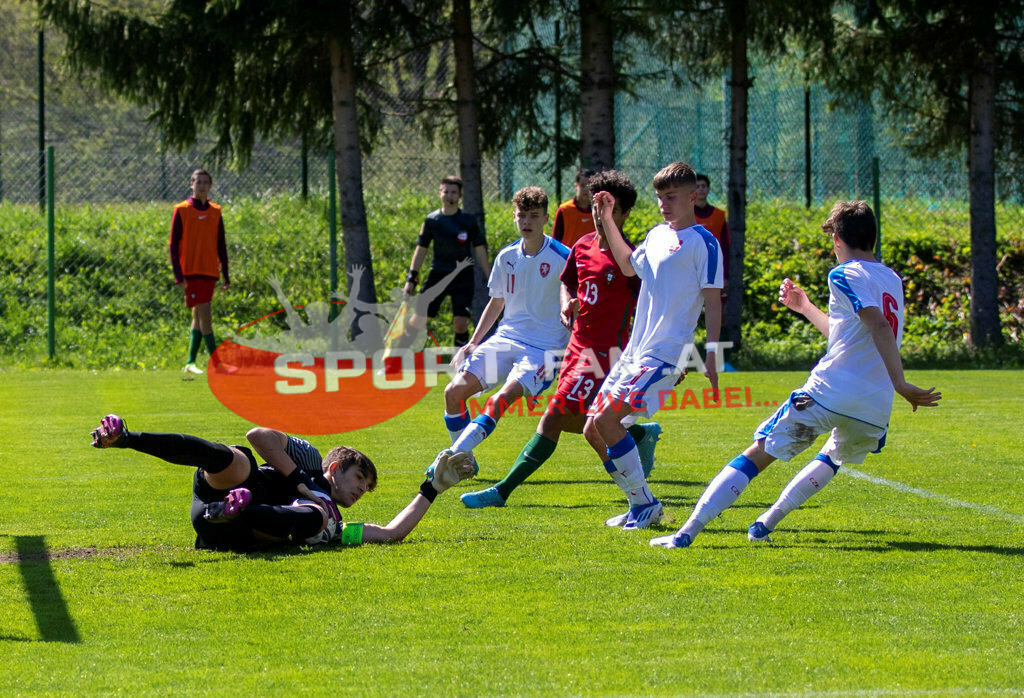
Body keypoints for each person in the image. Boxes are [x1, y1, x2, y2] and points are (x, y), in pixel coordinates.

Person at [651, 201, 942, 550]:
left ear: (836, 239)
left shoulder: (843, 273)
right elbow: (852, 335)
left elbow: (878, 325)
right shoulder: (892, 279)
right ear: (874, 237)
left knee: (758, 453)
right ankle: (765, 523)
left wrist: (901, 383)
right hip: (874, 406)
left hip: (832, 390)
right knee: (833, 456)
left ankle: (685, 533)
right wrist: (804, 307)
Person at [459, 170, 661, 509]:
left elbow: (653, 306)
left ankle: (502, 492)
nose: (599, 216)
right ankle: (639, 438)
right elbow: (568, 282)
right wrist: (568, 301)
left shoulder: (631, 260)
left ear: (625, 214)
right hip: (575, 348)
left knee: (553, 418)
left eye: (609, 210)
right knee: (587, 424)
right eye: (596, 208)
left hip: (604, 354)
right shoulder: (582, 246)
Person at [90, 414, 475, 551]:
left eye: (367, 488)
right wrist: (300, 481)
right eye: (360, 478)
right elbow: (259, 435)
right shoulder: (308, 460)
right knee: (238, 458)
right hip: (220, 500)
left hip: (239, 529)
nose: (362, 490)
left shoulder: (338, 526)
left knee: (322, 519)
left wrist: (431, 489)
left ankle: (235, 513)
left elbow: (391, 533)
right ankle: (126, 438)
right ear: (334, 467)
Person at [584, 161, 724, 530]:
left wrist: (711, 353)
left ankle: (645, 505)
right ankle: (639, 503)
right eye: (660, 197)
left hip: (666, 354)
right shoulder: (657, 234)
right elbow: (628, 266)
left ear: (693, 197)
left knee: (607, 420)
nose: (664, 204)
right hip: (636, 351)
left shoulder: (704, 242)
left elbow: (713, 301)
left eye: (671, 197)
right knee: (593, 429)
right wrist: (608, 219)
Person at [443, 186, 570, 471]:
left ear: (546, 218)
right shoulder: (506, 256)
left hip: (545, 348)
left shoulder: (564, 257)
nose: (527, 222)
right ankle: (464, 463)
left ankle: (451, 457)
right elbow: (497, 301)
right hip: (506, 338)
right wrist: (474, 342)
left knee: (500, 399)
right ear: (514, 217)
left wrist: (571, 355)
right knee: (453, 393)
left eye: (534, 216)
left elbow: (574, 307)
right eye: (522, 215)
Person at [401, 175, 491, 349]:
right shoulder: (432, 220)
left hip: (463, 277)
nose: (449, 195)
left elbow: (480, 250)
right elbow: (421, 250)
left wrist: (490, 277)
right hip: (438, 274)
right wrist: (412, 278)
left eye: (453, 192)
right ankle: (396, 357)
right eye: (446, 192)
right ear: (439, 193)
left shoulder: (468, 220)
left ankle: (460, 362)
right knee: (418, 319)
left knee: (460, 323)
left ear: (460, 195)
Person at [169, 168, 230, 378]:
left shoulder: (215, 211)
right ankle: (217, 363)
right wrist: (178, 275)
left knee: (198, 314)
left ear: (210, 186)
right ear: (191, 185)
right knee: (205, 314)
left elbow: (221, 244)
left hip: (209, 270)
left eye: (205, 182)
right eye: (198, 182)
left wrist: (226, 273)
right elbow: (173, 245)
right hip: (191, 271)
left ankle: (190, 362)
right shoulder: (182, 210)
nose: (202, 186)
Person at [694, 173, 730, 298]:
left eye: (703, 186)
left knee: (715, 303)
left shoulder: (719, 215)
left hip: (715, 266)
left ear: (708, 189)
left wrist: (725, 275)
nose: (701, 189)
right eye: (697, 186)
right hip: (693, 266)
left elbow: (726, 245)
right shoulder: (686, 215)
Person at [552, 168, 596, 248]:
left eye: (590, 185)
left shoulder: (598, 211)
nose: (586, 189)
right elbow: (555, 240)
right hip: (567, 255)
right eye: (583, 185)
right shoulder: (564, 210)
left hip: (591, 255)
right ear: (576, 185)